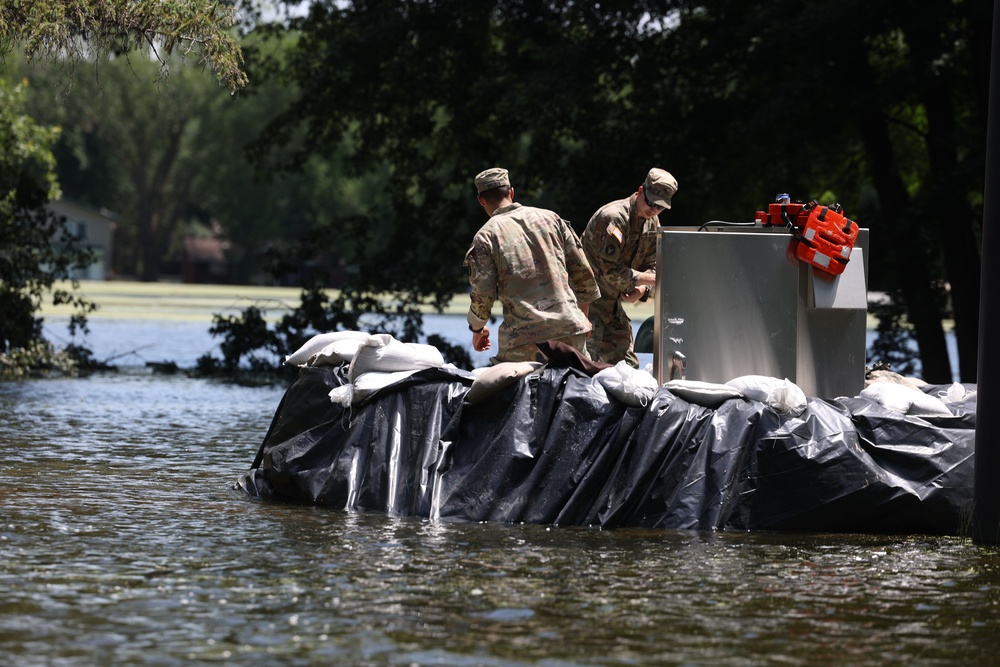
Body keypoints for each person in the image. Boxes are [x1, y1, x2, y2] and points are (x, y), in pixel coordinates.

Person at [463, 167, 601, 364]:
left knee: (510, 392)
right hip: (571, 331)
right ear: (511, 192)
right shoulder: (552, 219)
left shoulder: (486, 237)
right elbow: (583, 274)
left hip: (524, 340)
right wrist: (582, 318)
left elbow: (483, 294)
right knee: (577, 391)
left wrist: (477, 329)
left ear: (481, 200)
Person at [581, 167, 678, 367]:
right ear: (640, 190)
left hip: (611, 304)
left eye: (660, 207)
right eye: (650, 203)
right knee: (582, 366)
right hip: (586, 303)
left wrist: (643, 289)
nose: (653, 210)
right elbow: (609, 271)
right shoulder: (614, 218)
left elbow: (652, 265)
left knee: (627, 368)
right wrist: (651, 280)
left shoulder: (652, 222)